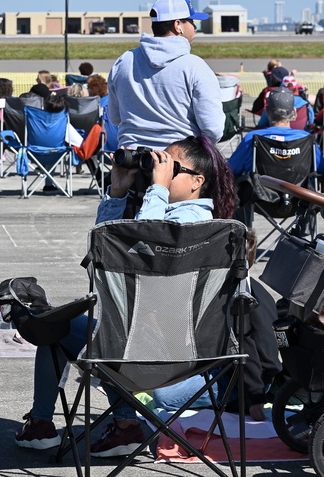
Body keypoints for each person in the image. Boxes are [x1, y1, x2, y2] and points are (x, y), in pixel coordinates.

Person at [15, 136, 249, 456]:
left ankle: (55, 424)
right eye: (158, 165)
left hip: (147, 354)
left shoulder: (190, 227)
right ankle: (121, 427)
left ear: (198, 182)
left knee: (55, 326)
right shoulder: (221, 230)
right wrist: (118, 191)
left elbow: (142, 246)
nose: (158, 173)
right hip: (188, 355)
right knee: (65, 326)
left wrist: (157, 190)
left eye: (170, 167)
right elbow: (107, 245)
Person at [108, 0, 224, 149]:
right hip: (180, 163)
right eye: (191, 21)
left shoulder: (123, 61)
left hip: (131, 162)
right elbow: (213, 129)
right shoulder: (195, 66)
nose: (195, 27)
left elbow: (115, 118)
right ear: (178, 25)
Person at [228, 86, 324, 186]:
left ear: (267, 111)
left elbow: (231, 169)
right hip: (300, 201)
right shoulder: (306, 139)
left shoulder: (251, 138)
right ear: (294, 113)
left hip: (261, 200)